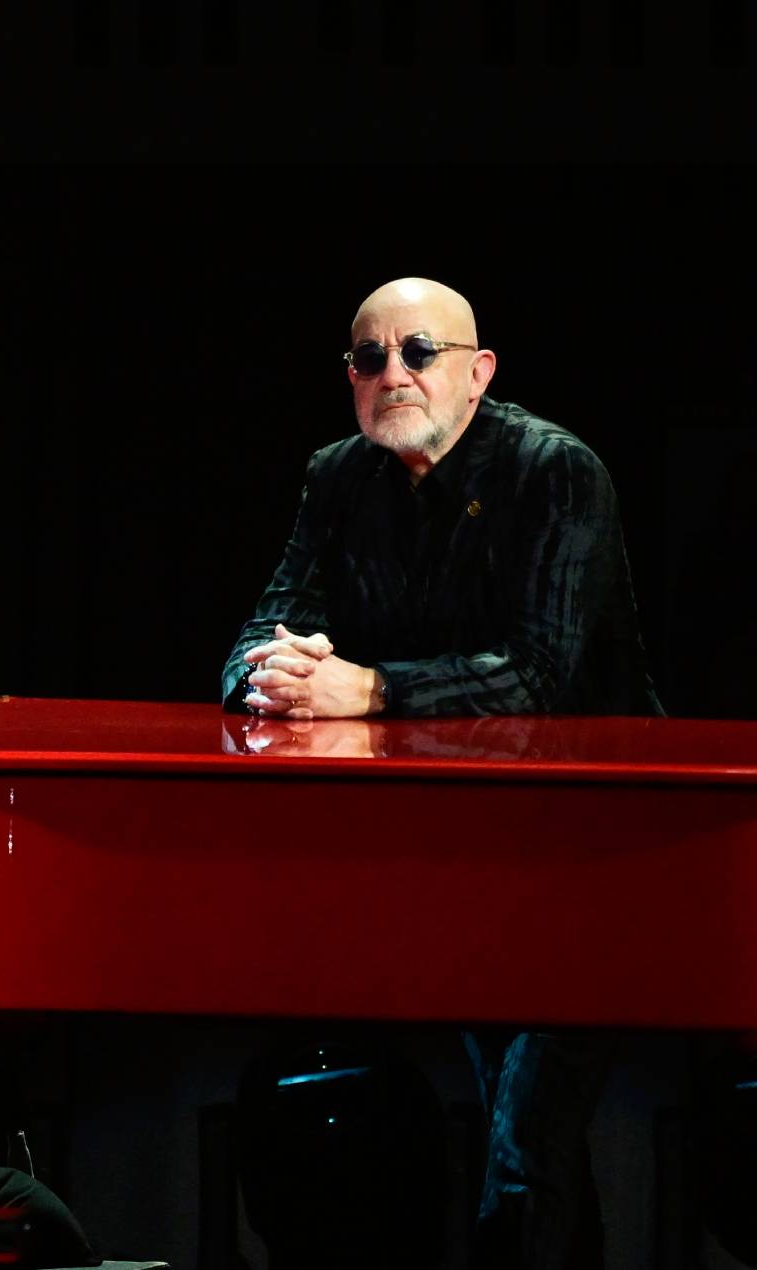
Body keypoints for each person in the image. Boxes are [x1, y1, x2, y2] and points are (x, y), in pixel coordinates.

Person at [221, 278, 661, 1268]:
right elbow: (260, 624)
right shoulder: (336, 475)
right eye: (367, 359)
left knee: (523, 1141)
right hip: (464, 848)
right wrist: (270, 676)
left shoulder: (555, 472)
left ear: (476, 372)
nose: (392, 375)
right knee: (522, 1139)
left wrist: (370, 691)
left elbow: (540, 677)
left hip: (592, 849)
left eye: (417, 352)